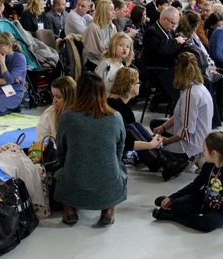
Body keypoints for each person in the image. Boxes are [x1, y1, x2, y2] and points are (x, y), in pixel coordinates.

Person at [152, 131, 223, 234]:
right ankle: (171, 202)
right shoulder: (208, 165)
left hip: (222, 210)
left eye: (204, 150)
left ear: (214, 153)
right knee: (179, 205)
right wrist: (172, 197)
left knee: (206, 224)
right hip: (203, 199)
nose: (203, 153)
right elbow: (195, 185)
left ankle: (171, 216)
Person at [55, 72, 126, 226]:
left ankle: (69, 211)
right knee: (120, 168)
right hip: (108, 185)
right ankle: (108, 211)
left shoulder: (67, 117)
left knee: (60, 170)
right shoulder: (116, 117)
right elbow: (119, 150)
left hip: (75, 183)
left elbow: (60, 150)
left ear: (78, 92)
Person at [108, 67, 190, 180]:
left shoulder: (123, 103)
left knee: (135, 126)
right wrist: (151, 144)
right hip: (115, 144)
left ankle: (165, 158)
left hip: (124, 141)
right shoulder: (115, 104)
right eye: (137, 82)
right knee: (130, 128)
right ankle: (163, 162)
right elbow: (125, 139)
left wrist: (153, 141)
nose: (139, 85)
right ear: (130, 86)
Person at [151, 52, 214, 180]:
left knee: (151, 149)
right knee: (155, 125)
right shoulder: (198, 87)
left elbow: (186, 130)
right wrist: (163, 128)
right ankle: (196, 155)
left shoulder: (190, 94)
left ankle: (188, 159)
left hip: (190, 143)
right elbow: (182, 115)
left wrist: (166, 141)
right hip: (201, 138)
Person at [143, 6, 187, 103]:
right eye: (172, 23)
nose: (174, 26)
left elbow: (170, 47)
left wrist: (182, 44)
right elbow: (160, 49)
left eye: (176, 24)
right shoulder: (152, 31)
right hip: (158, 70)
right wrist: (175, 42)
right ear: (163, 19)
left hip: (170, 67)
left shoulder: (169, 31)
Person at [36, 76, 76, 143]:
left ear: (70, 97)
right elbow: (41, 143)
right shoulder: (48, 115)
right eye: (53, 96)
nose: (54, 101)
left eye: (59, 97)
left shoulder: (82, 114)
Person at [81, 0, 118, 71]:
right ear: (103, 12)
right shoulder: (93, 27)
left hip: (107, 58)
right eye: (111, 10)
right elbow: (96, 52)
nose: (114, 12)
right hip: (93, 60)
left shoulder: (112, 27)